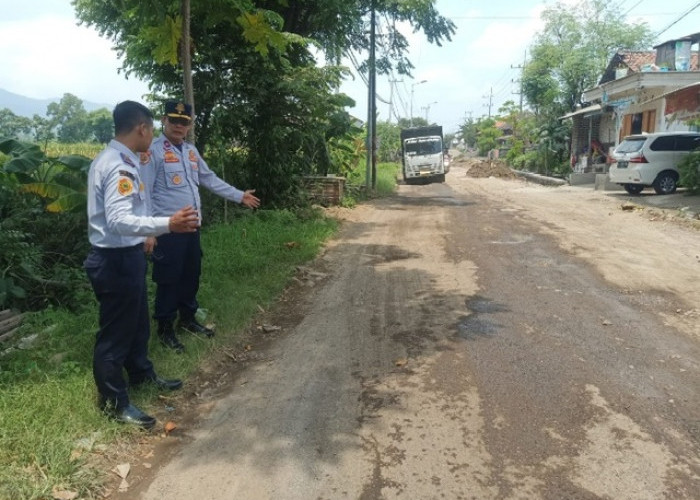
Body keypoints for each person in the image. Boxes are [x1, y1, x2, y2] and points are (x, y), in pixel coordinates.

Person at [84, 100, 200, 429]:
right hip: (114, 259)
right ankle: (114, 403)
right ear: (143, 128)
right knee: (115, 335)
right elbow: (120, 221)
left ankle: (142, 375)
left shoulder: (122, 159)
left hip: (127, 256)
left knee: (137, 325)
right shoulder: (119, 165)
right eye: (152, 130)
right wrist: (166, 225)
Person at [146, 101, 260, 352]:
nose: (178, 126)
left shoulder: (190, 151)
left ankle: (187, 320)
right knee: (168, 279)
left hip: (192, 228)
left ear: (189, 125)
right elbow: (144, 193)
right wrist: (149, 231)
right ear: (164, 120)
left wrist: (239, 195)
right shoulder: (152, 151)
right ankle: (165, 328)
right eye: (174, 120)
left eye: (184, 122)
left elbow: (209, 179)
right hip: (168, 229)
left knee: (190, 274)